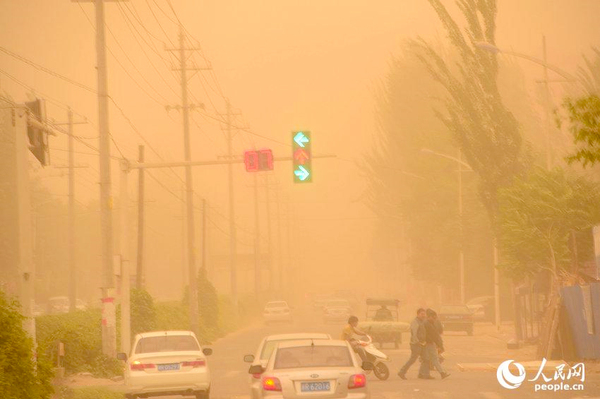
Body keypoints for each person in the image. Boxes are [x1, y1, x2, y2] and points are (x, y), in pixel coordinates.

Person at [418, 309, 450, 379]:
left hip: (426, 343)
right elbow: (435, 336)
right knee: (434, 359)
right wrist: (440, 345)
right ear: (429, 317)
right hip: (429, 343)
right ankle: (442, 373)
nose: (435, 319)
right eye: (433, 318)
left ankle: (421, 373)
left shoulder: (427, 323)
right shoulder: (428, 324)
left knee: (426, 359)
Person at [397, 308, 427, 379]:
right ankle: (402, 372)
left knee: (425, 358)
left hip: (422, 343)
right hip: (416, 344)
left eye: (424, 314)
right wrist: (417, 342)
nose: (423, 315)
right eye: (422, 314)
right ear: (418, 314)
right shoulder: (415, 322)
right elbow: (414, 333)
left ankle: (421, 373)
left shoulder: (422, 322)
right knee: (413, 359)